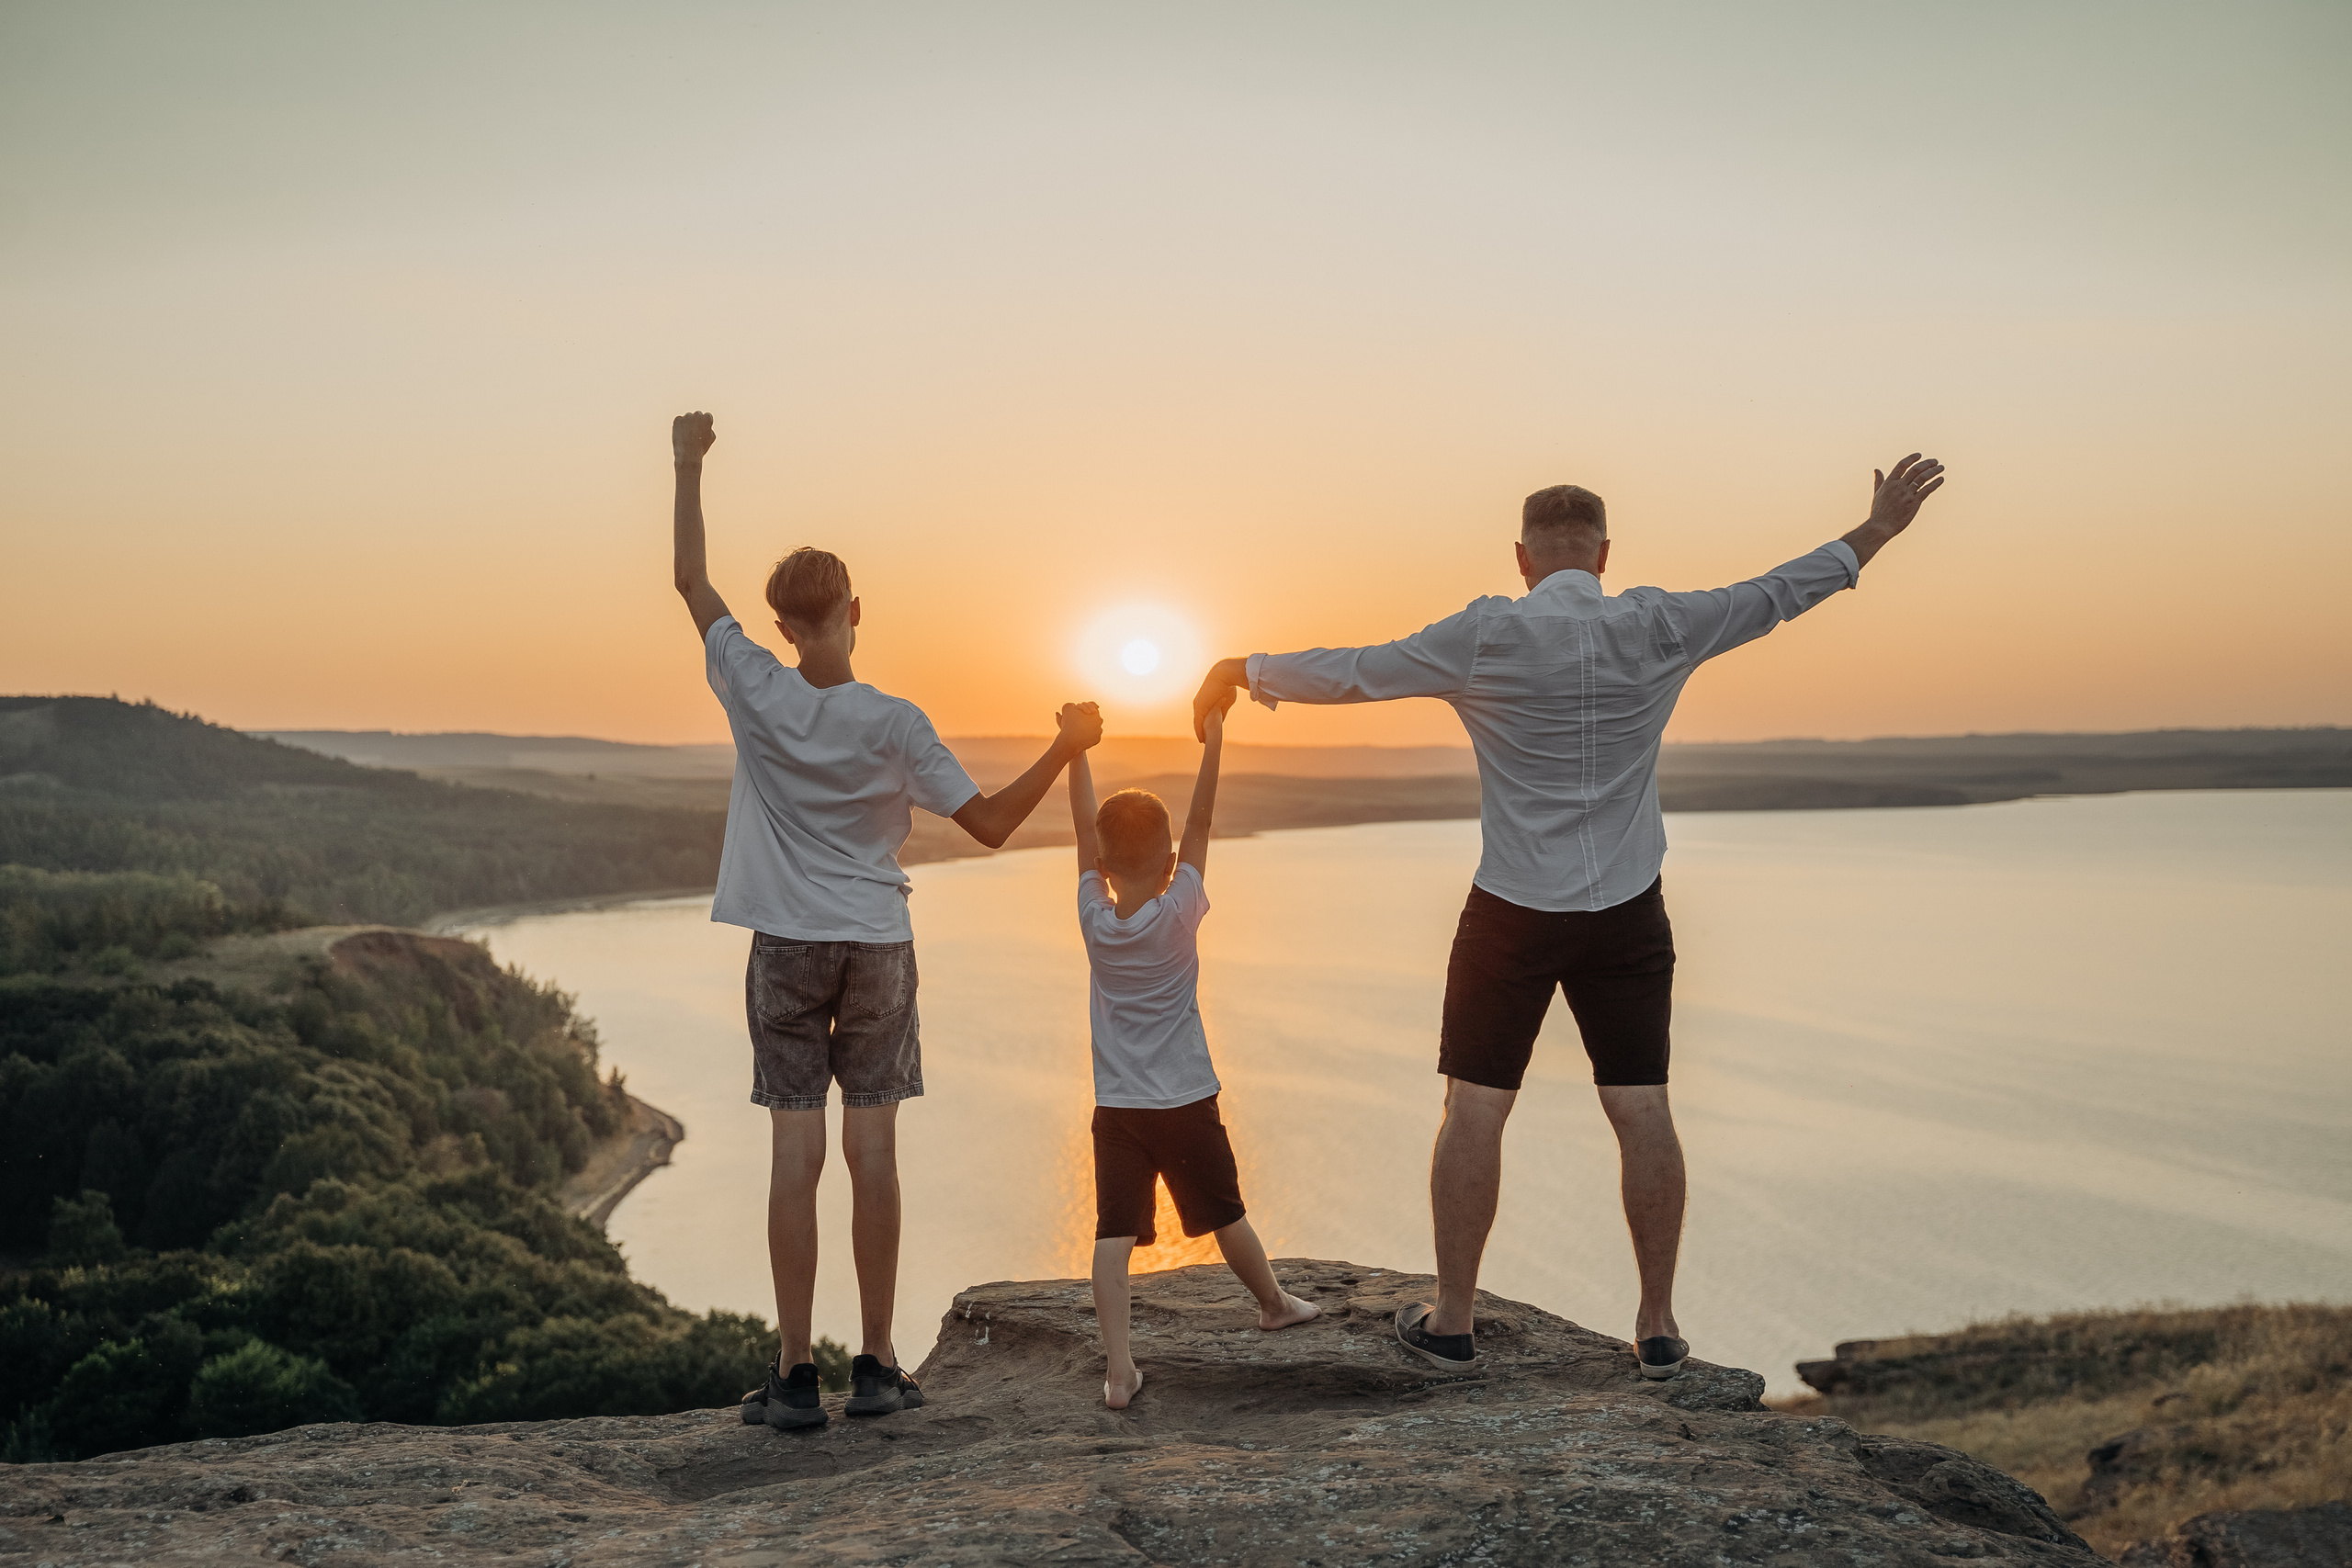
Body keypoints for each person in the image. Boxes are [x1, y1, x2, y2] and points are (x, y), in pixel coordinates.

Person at [1189, 455, 1948, 1380]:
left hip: (1511, 907)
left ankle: (1454, 1321)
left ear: (1522, 558)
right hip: (1626, 909)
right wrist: (1875, 532)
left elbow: (1355, 673)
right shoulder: (1659, 624)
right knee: (1640, 1108)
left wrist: (1245, 668)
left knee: (1474, 1108)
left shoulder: (1483, 636)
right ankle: (1660, 1327)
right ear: (1603, 554)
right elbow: (1775, 594)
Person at [667, 411, 1104, 1430]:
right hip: (876, 944)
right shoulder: (897, 723)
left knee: (794, 1157)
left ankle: (790, 1378)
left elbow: (690, 583)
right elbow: (992, 827)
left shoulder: (754, 686)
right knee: (874, 1155)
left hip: (785, 943)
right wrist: (1068, 746)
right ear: (856, 609)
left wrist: (686, 464)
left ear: (782, 624)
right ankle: (874, 1364)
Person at [1069, 704, 1321, 1409]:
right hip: (1185, 1098)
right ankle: (1272, 1302)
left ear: (1103, 864)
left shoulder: (1094, 917)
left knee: (1113, 1233)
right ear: (1171, 862)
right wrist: (1214, 740)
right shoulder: (1180, 910)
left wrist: (1075, 751)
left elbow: (1082, 833)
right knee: (1225, 1214)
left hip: (1118, 1106)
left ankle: (1119, 1368)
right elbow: (1202, 821)